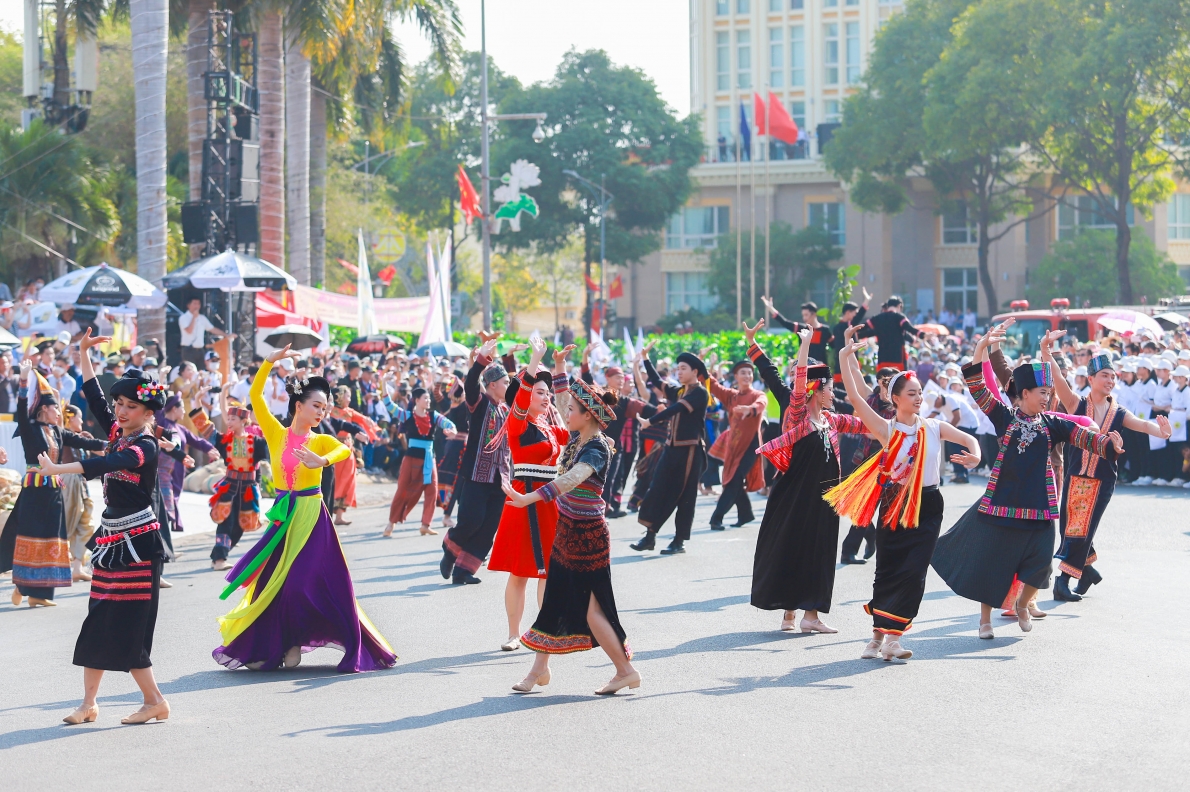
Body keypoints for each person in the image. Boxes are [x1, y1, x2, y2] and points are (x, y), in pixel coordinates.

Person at [931, 324, 1124, 639]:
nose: (1047, 399)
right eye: (1042, 393)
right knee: (992, 565)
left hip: (1039, 507)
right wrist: (980, 348)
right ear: (1023, 395)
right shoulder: (1004, 417)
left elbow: (1083, 437)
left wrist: (1108, 445)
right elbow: (978, 387)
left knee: (1042, 564)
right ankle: (985, 621)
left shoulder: (1052, 424)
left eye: (1049, 393)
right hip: (1002, 505)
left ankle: (1022, 603)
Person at [213, 345, 397, 673]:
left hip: (313, 517)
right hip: (283, 516)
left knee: (301, 583)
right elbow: (255, 396)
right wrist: (270, 361)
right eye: (316, 405)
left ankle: (296, 641)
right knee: (271, 584)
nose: (321, 412)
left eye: (325, 407)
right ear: (298, 406)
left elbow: (342, 449)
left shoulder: (320, 440)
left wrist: (322, 460)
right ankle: (275, 646)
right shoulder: (275, 434)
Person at [33, 330, 171, 725]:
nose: (121, 411)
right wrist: (82, 353)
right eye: (120, 404)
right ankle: (89, 704)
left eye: (131, 406)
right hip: (111, 540)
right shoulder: (117, 433)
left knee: (127, 625)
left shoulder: (143, 447)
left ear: (149, 413)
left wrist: (60, 468)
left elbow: (103, 466)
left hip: (139, 544)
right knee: (97, 618)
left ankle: (155, 700)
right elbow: (93, 395)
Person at [830, 338, 981, 661]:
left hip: (929, 505)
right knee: (888, 569)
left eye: (919, 393)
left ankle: (893, 639)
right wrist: (845, 356)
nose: (918, 397)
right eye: (911, 393)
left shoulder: (934, 427)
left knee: (914, 571)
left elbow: (968, 437)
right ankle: (876, 636)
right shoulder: (887, 429)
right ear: (895, 398)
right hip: (895, 505)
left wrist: (976, 455)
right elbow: (855, 396)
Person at [501, 356, 639, 695]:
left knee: (593, 611)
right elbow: (564, 402)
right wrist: (559, 368)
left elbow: (573, 479)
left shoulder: (596, 447)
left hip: (586, 536)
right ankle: (539, 671)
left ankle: (625, 670)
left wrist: (529, 499)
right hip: (569, 530)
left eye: (574, 411)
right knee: (555, 603)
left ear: (587, 416)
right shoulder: (578, 439)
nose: (565, 414)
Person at [746, 323, 869, 634]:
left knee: (820, 552)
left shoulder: (831, 420)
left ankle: (809, 615)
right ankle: (791, 612)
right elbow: (795, 381)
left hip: (825, 499)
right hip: (794, 497)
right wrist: (805, 346)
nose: (832, 394)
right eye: (828, 388)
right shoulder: (799, 413)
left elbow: (864, 424)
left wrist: (901, 424)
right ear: (816, 390)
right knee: (792, 548)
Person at [1039, 337, 1172, 600]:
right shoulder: (1077, 404)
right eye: (1104, 375)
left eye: (1113, 376)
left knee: (1080, 528)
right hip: (1076, 476)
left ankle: (1063, 581)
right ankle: (1087, 572)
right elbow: (1058, 379)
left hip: (1102, 481)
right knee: (1072, 526)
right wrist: (1046, 352)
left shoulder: (1119, 412)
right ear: (1091, 378)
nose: (1110, 380)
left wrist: (1162, 432)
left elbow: (1144, 426)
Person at [487, 339, 571, 650]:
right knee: (521, 571)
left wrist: (559, 368)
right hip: (523, 498)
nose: (545, 397)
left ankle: (545, 629)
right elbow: (521, 397)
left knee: (548, 570)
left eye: (547, 392)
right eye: (540, 391)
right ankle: (513, 633)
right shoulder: (517, 422)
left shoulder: (551, 428)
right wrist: (536, 358)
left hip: (549, 499)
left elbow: (572, 421)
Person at [0, 362, 98, 607]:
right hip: (34, 490)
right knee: (31, 538)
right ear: (44, 409)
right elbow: (22, 408)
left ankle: (39, 594)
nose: (59, 412)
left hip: (54, 491)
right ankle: (22, 588)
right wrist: (23, 381)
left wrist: (116, 443)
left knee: (52, 539)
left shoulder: (58, 432)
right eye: (56, 408)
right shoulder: (30, 427)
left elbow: (87, 443)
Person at [440, 334, 522, 585]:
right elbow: (471, 385)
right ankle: (450, 546)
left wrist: (513, 359)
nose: (509, 385)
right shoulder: (479, 403)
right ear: (493, 384)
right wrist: (480, 360)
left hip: (501, 477)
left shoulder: (507, 408)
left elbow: (522, 388)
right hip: (477, 474)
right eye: (505, 381)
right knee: (471, 520)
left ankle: (464, 570)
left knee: (489, 527)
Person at [630, 345, 709, 555]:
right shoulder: (681, 390)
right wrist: (646, 359)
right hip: (671, 448)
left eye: (684, 368)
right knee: (657, 488)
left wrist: (650, 421)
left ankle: (679, 540)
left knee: (684, 495)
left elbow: (677, 408)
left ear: (695, 372)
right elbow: (657, 382)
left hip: (690, 451)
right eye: (678, 368)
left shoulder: (700, 393)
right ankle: (649, 536)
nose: (679, 371)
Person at [381, 384, 459, 537]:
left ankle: (425, 524)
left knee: (432, 490)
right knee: (403, 489)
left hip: (429, 458)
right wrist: (384, 383)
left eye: (429, 398)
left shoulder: (433, 415)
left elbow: (449, 423)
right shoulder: (407, 415)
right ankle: (391, 523)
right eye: (426, 398)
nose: (429, 400)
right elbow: (389, 405)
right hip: (411, 459)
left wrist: (453, 430)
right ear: (417, 400)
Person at [208, 390, 270, 571]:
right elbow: (206, 428)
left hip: (248, 488)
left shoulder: (257, 441)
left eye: (232, 419)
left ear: (244, 421)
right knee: (225, 520)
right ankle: (220, 559)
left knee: (242, 524)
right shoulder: (225, 440)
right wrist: (197, 402)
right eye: (228, 419)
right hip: (229, 485)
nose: (229, 422)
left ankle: (218, 555)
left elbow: (270, 450)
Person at [706, 359, 766, 530]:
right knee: (734, 480)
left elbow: (761, 404)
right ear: (736, 376)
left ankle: (716, 518)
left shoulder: (757, 395)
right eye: (743, 373)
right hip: (733, 446)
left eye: (749, 373)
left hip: (750, 446)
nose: (747, 376)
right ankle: (745, 514)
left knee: (734, 480)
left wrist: (749, 410)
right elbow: (714, 385)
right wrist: (703, 363)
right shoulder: (732, 396)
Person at [60, 405, 101, 582]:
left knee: (86, 524)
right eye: (79, 417)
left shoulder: (82, 437)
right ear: (70, 418)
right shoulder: (61, 434)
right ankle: (54, 566)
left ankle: (77, 567)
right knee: (67, 524)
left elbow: (100, 453)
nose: (82, 421)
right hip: (69, 481)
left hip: (81, 482)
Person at [855, 296, 921, 370]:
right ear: (899, 306)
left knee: (885, 378)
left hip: (884, 359)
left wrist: (853, 333)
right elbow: (908, 330)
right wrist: (919, 336)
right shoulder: (898, 318)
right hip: (897, 358)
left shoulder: (879, 319)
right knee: (898, 379)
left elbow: (864, 329)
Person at [177, 298, 230, 368]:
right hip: (188, 350)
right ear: (188, 305)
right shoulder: (183, 318)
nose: (197, 306)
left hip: (200, 350)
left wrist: (226, 335)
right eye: (194, 303)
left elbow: (212, 329)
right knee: (190, 370)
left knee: (201, 371)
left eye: (198, 304)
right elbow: (189, 331)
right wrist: (194, 318)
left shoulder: (202, 318)